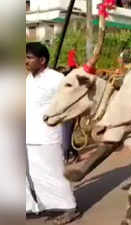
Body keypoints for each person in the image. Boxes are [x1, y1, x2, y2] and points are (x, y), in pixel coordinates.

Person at [26, 42, 80, 225]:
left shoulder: (56, 79)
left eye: (29, 57)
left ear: (42, 60)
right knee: (34, 175)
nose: (25, 61)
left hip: (49, 136)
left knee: (54, 174)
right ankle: (37, 205)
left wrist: (67, 138)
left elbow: (70, 104)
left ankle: (69, 207)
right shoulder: (28, 79)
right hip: (30, 135)